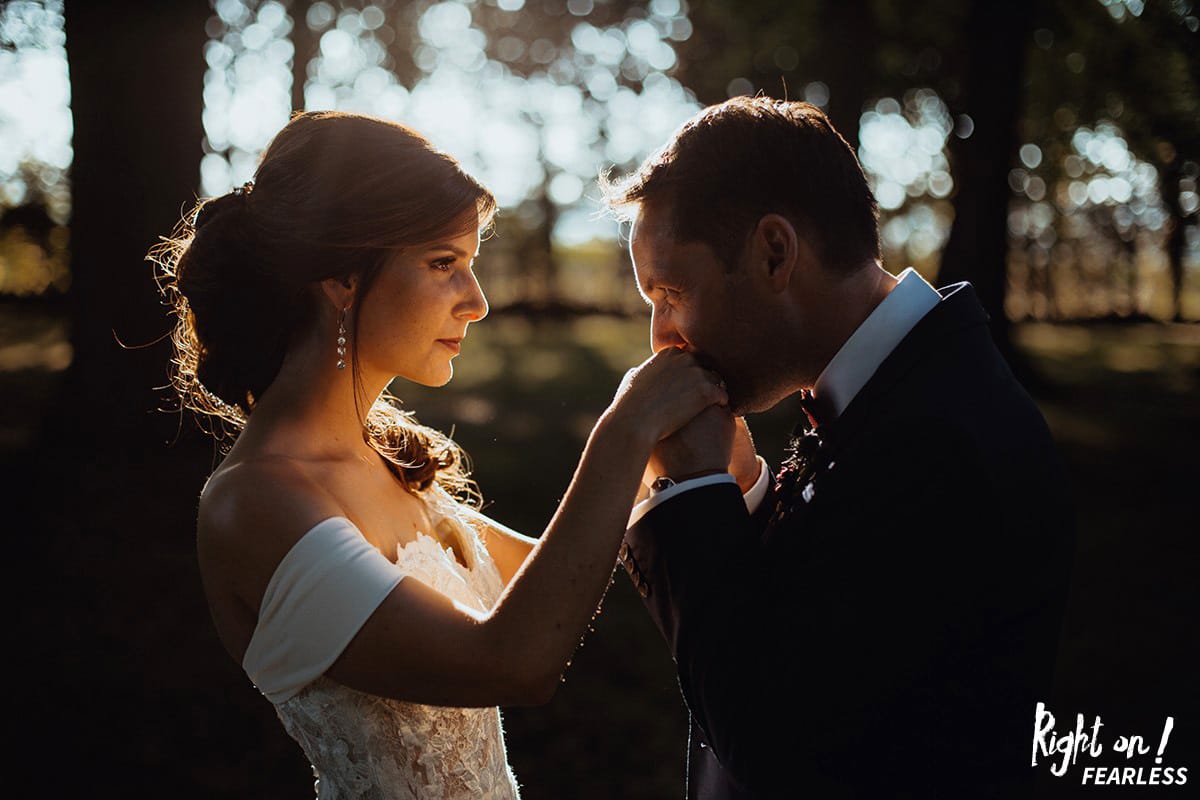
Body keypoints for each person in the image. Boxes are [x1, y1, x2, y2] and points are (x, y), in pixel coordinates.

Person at [150, 110, 727, 799]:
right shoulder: (257, 502)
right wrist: (625, 430)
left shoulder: (383, 461)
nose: (476, 302)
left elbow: (553, 572)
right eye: (443, 264)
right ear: (341, 277)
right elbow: (512, 660)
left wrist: (680, 460)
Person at [603, 96, 1074, 798]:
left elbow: (784, 743)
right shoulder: (896, 390)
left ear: (774, 252)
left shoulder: (942, 441)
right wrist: (744, 494)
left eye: (671, 291)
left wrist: (697, 500)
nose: (660, 336)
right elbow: (804, 625)